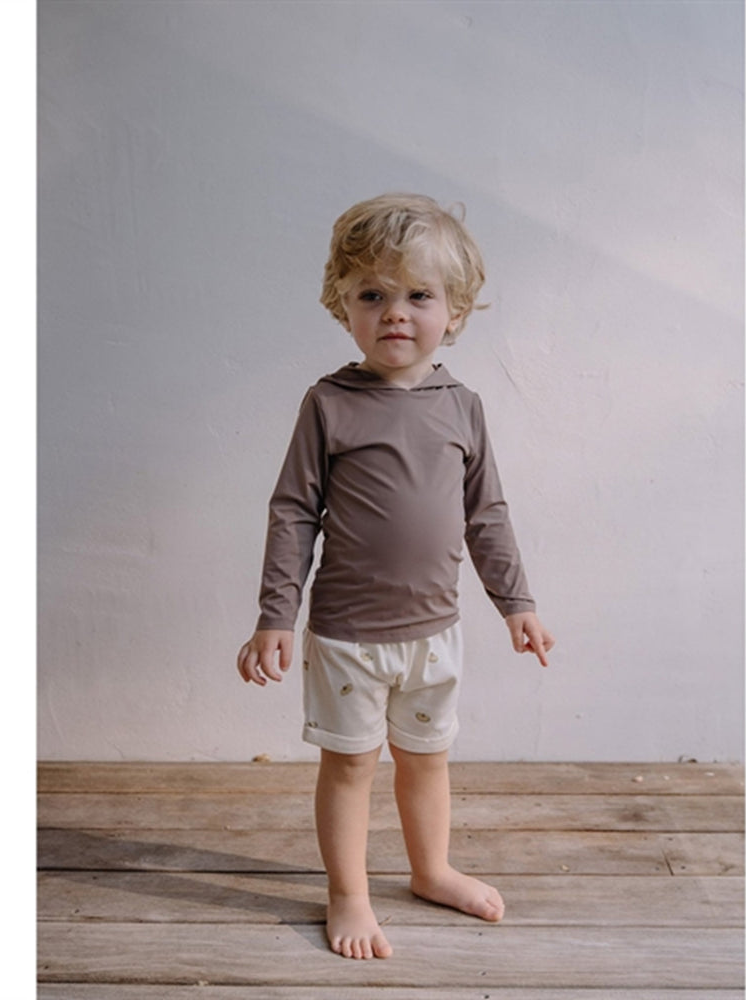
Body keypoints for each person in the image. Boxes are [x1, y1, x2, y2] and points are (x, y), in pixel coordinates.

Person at [237, 193, 554, 960]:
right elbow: (294, 513)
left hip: (435, 634)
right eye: (373, 295)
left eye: (418, 295)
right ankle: (348, 893)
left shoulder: (463, 407)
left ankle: (430, 869)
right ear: (342, 305)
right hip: (349, 637)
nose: (396, 314)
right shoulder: (329, 404)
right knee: (351, 767)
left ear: (456, 310)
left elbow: (486, 513)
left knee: (427, 760)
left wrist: (516, 602)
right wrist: (276, 615)